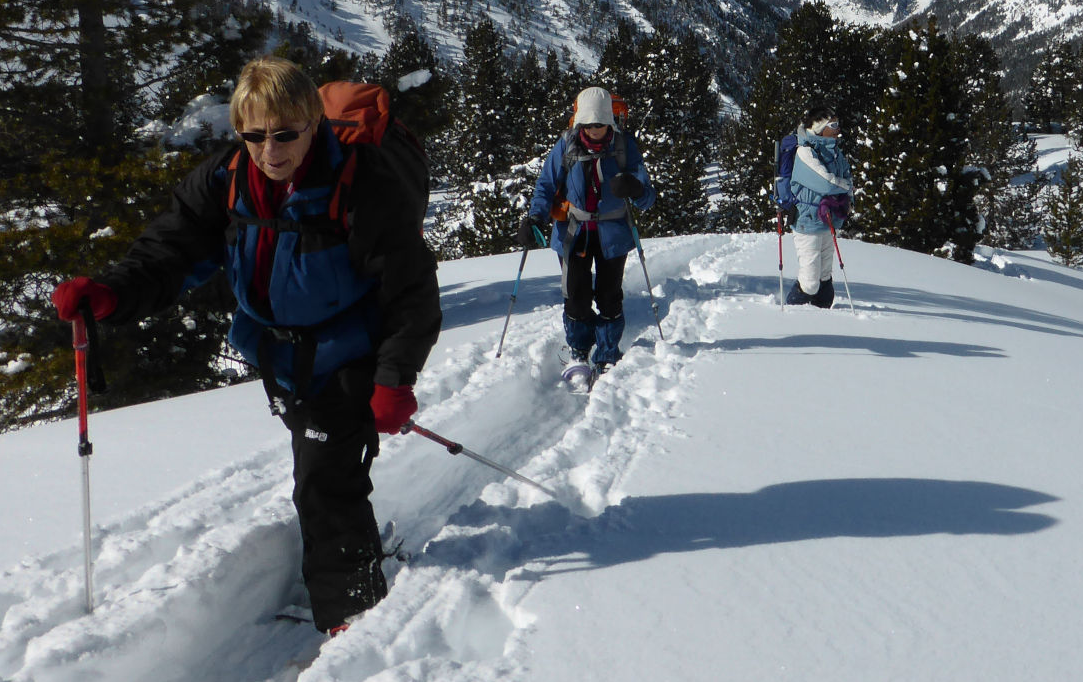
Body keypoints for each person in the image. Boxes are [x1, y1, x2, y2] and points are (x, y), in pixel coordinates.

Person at [51, 57, 439, 635]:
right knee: (323, 468)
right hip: (280, 357)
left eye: (285, 133)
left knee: (323, 480)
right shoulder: (226, 179)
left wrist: (393, 378)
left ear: (314, 124)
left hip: (349, 352)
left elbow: (411, 292)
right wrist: (109, 293)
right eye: (253, 135)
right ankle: (354, 561)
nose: (269, 149)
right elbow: (171, 251)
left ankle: (351, 617)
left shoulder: (364, 184)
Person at [520, 86, 655, 373]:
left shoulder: (623, 146)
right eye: (590, 124)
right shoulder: (566, 145)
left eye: (601, 124)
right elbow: (546, 184)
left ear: (610, 121)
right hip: (574, 233)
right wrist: (534, 219)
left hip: (613, 235)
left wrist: (636, 187)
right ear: (580, 122)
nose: (595, 130)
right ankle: (580, 352)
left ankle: (607, 354)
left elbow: (647, 197)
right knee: (576, 298)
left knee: (609, 297)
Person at [778, 99, 853, 307]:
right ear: (820, 129)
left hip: (829, 220)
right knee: (810, 282)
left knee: (824, 276)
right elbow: (825, 183)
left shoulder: (835, 151)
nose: (838, 130)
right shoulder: (805, 152)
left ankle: (823, 317)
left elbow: (848, 179)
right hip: (807, 221)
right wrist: (844, 187)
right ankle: (793, 312)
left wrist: (848, 197)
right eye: (833, 126)